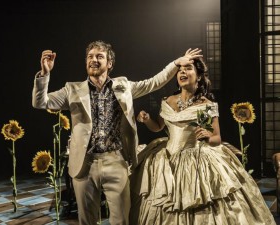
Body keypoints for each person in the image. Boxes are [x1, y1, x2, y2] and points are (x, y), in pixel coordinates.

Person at [32, 40, 202, 225]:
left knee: (121, 220)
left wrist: (176, 63)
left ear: (110, 63)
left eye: (99, 56)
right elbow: (41, 102)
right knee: (86, 221)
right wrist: (44, 74)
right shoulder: (72, 89)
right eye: (90, 56)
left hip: (116, 161)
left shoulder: (124, 86)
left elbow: (154, 82)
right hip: (84, 164)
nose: (94, 60)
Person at [134, 57, 276, 225]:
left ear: (199, 76)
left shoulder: (207, 105)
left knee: (202, 202)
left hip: (197, 157)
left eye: (188, 68)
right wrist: (147, 119)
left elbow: (217, 138)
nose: (183, 72)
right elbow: (158, 127)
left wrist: (208, 137)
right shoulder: (167, 101)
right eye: (180, 70)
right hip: (167, 158)